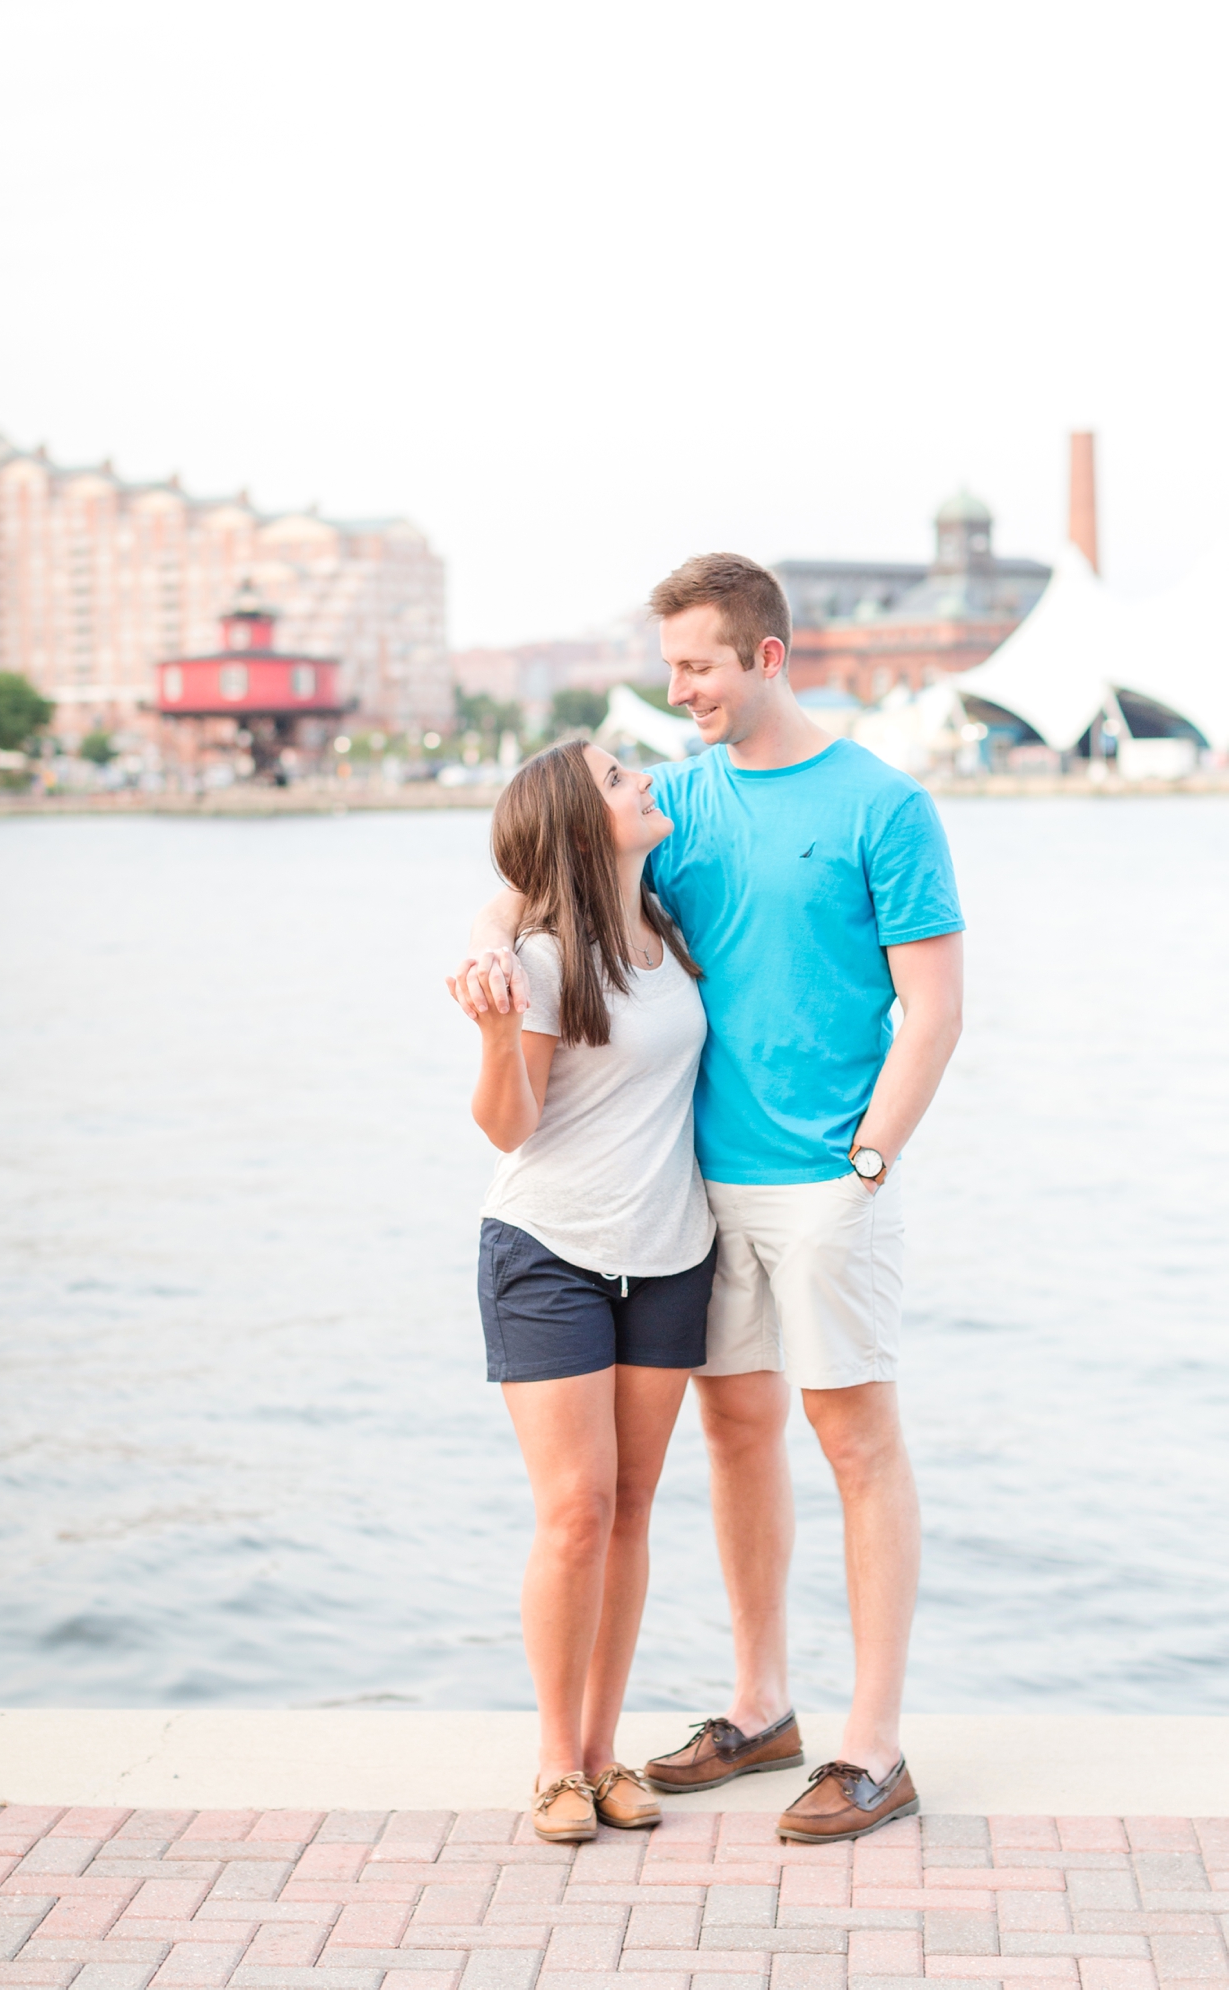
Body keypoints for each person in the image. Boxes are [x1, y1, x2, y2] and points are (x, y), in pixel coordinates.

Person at [452, 552, 964, 1844]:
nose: (677, 691)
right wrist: (481, 936)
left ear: (768, 658)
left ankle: (873, 1745)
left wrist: (870, 1160)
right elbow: (542, 854)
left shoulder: (881, 807)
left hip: (827, 1185)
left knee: (858, 1444)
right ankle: (759, 1705)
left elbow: (937, 1010)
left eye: (698, 667)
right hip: (695, 1199)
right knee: (739, 1435)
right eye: (670, 664)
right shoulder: (672, 802)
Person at [447, 738, 718, 1843]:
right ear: (580, 820)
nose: (643, 778)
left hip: (668, 1254)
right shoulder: (549, 961)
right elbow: (507, 1124)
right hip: (548, 1253)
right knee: (575, 1514)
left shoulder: (672, 929)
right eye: (617, 777)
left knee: (634, 1511)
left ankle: (606, 1757)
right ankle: (556, 1765)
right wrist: (498, 1032)